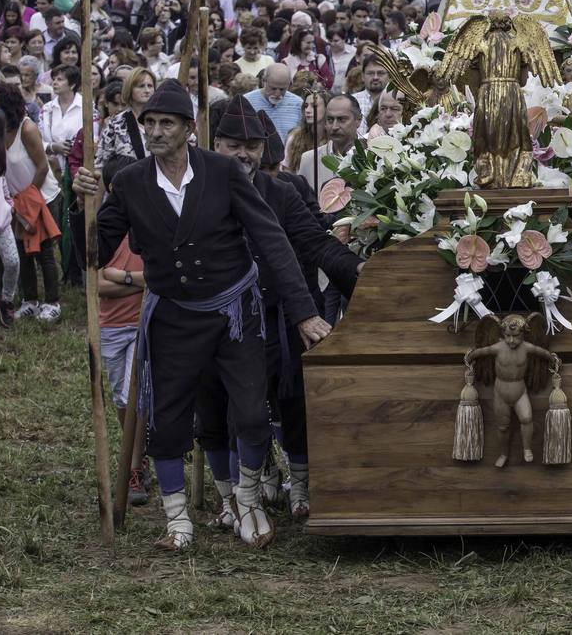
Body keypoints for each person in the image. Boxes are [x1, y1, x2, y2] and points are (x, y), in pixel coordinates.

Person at [74, 80, 333, 552]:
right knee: (169, 420)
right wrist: (83, 205)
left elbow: (272, 241)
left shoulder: (221, 171)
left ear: (189, 129)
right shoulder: (131, 181)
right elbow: (90, 254)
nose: (155, 131)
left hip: (235, 314)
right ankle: (178, 521)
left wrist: (302, 313)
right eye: (149, 123)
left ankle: (249, 500)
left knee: (253, 413)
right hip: (173, 317)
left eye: (165, 123)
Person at [197, 99, 360, 524]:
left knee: (296, 403)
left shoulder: (282, 192)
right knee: (228, 409)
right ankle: (236, 495)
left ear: (264, 147)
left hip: (285, 316)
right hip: (221, 321)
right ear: (216, 145)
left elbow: (317, 243)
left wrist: (360, 273)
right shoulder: (197, 192)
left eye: (251, 146)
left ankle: (301, 486)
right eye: (233, 145)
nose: (242, 154)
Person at [97, 154, 148, 504]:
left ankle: (134, 464)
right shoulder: (103, 227)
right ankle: (135, 450)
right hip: (112, 326)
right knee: (121, 395)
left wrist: (124, 278)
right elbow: (98, 285)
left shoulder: (150, 221)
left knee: (138, 396)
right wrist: (140, 281)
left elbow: (161, 276)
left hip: (144, 321)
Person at [0, 82, 62, 321]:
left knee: (44, 252)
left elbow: (43, 167)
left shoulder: (27, 128)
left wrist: (28, 199)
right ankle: (31, 300)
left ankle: (53, 302)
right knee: (21, 251)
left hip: (41, 198)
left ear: (5, 104)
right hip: (15, 202)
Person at [0, 108, 19, 329]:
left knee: (12, 261)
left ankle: (5, 300)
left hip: (2, 220)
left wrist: (9, 204)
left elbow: (2, 182)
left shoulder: (0, 152)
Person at [96, 68, 154, 164]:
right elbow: (102, 162)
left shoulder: (163, 120)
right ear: (130, 89)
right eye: (141, 86)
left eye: (150, 86)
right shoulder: (116, 124)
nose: (147, 90)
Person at [243, 64, 304, 146]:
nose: (277, 93)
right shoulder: (247, 101)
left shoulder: (298, 103)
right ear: (263, 81)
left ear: (289, 85)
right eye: (273, 88)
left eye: (282, 89)